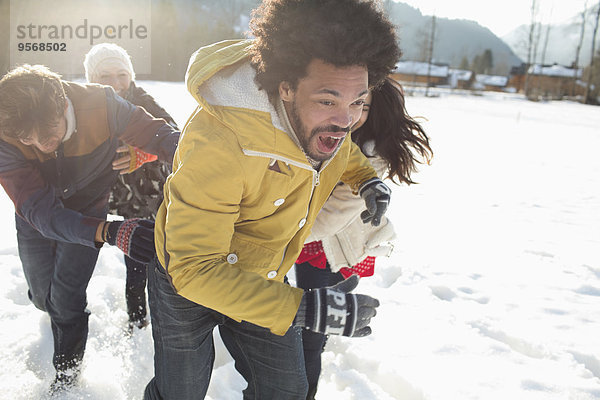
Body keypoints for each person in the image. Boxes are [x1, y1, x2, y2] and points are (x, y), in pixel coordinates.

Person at [143, 0, 402, 399]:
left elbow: (343, 147)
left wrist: (366, 179)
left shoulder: (322, 119)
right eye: (328, 100)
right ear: (286, 86)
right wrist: (303, 308)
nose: (346, 118)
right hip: (186, 281)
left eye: (358, 102)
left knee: (285, 391)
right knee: (180, 391)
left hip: (262, 273)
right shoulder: (219, 141)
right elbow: (193, 268)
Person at [0, 64, 179, 394]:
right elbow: (42, 213)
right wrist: (112, 231)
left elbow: (161, 135)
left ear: (62, 102)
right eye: (27, 138)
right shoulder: (6, 134)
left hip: (88, 208)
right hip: (36, 218)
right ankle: (47, 304)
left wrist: (204, 160)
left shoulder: (102, 105)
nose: (40, 144)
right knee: (43, 298)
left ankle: (66, 377)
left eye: (48, 131)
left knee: (66, 301)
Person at [295, 77, 433, 398]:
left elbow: (330, 219)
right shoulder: (323, 134)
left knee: (309, 338)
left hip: (323, 250)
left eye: (362, 106)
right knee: (296, 334)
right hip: (302, 244)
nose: (351, 115)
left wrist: (272, 230)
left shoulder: (370, 156)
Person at [84, 42, 179, 331]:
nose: (116, 83)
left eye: (122, 74)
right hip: (119, 198)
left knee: (155, 261)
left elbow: (178, 138)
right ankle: (137, 321)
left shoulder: (143, 101)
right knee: (134, 260)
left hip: (153, 195)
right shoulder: (87, 106)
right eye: (105, 76)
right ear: (92, 80)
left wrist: (144, 152)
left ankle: (164, 323)